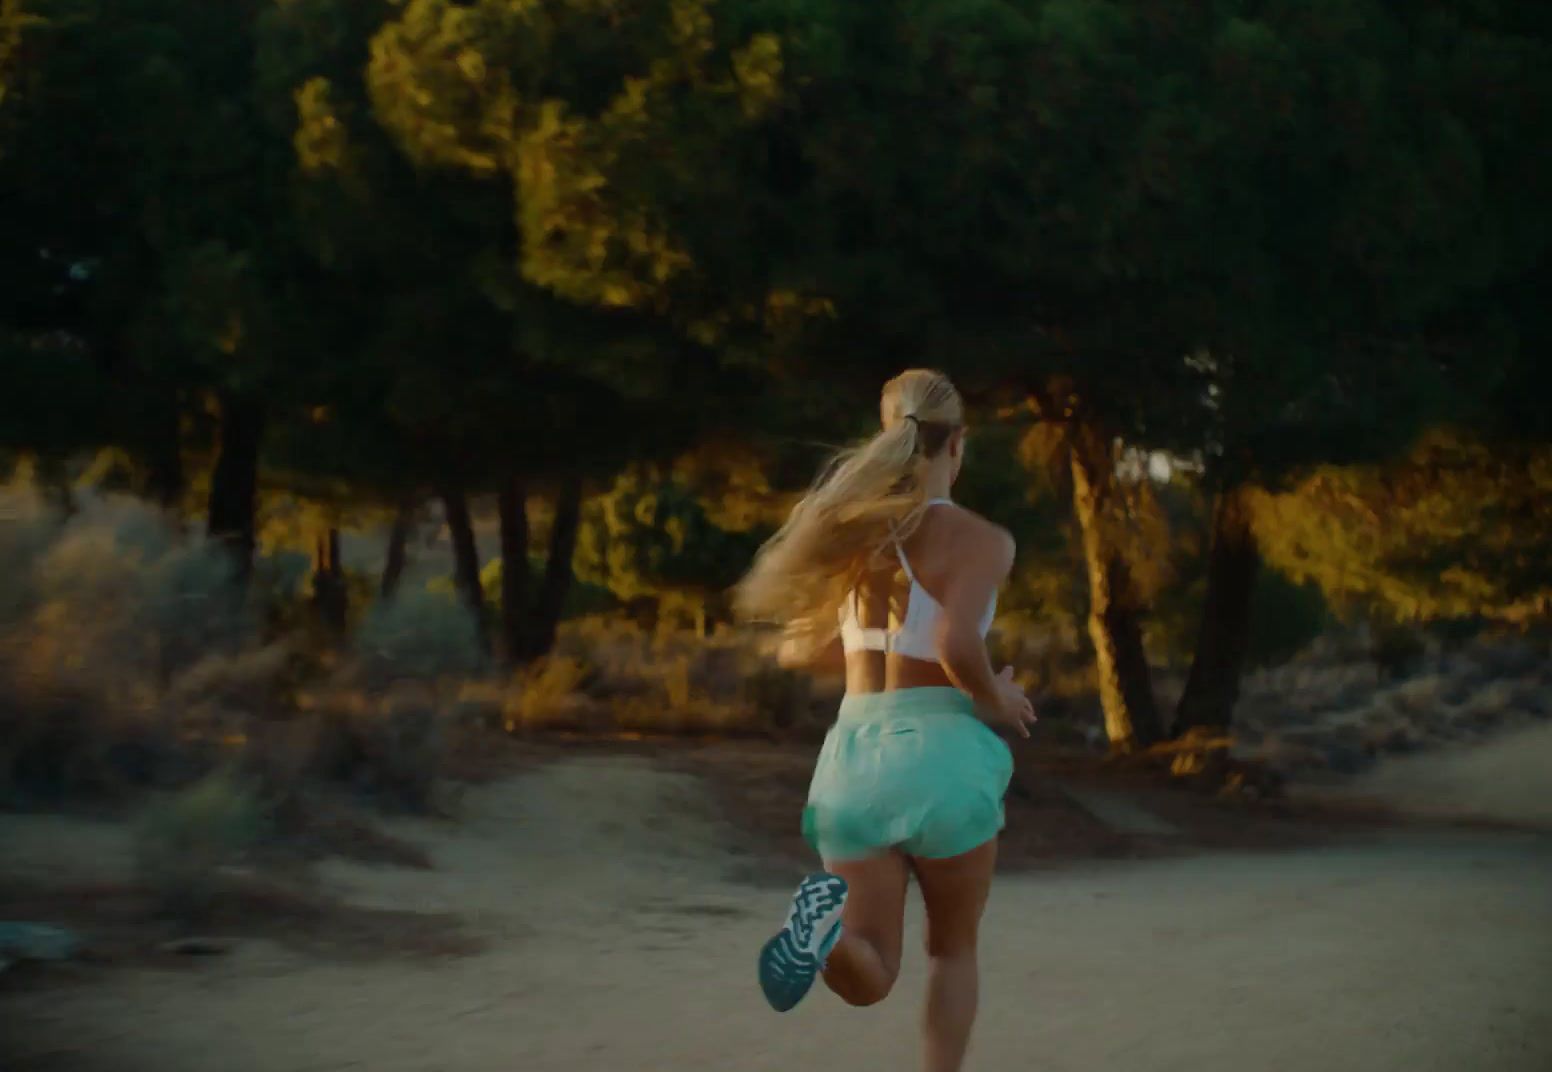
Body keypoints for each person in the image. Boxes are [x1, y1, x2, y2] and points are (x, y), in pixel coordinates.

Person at [735, 368, 1036, 1072]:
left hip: (855, 756)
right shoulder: (981, 539)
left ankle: (827, 936)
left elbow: (803, 652)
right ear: (958, 443)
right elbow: (955, 645)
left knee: (872, 968)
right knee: (951, 951)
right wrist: (996, 697)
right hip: (941, 755)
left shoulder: (852, 537)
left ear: (888, 437)